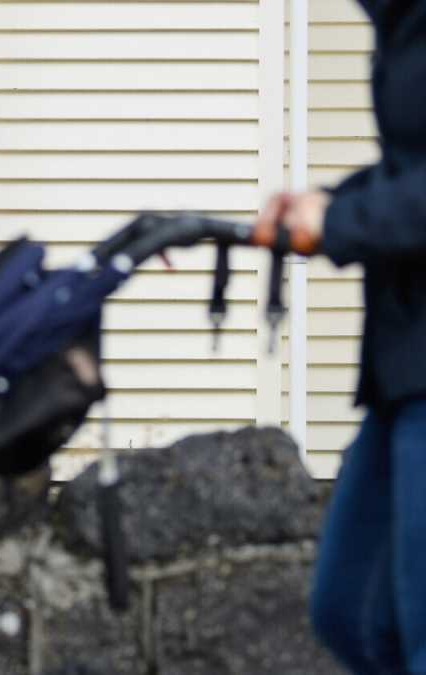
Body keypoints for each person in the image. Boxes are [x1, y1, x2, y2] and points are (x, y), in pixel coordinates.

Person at [253, 1, 426, 671]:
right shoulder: (400, 22)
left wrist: (346, 220)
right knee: (348, 609)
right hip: (402, 367)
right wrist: (321, 202)